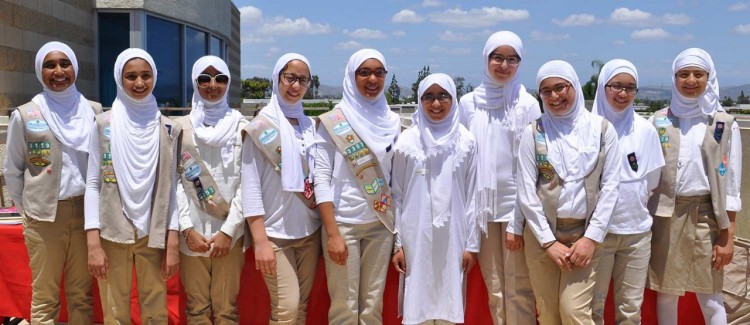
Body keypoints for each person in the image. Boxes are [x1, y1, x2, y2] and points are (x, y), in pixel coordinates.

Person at [3, 41, 102, 324]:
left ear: (75, 67)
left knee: (81, 294)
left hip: (87, 214)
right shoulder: (26, 114)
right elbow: (13, 170)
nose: (58, 71)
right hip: (44, 216)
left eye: (64, 63)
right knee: (45, 296)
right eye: (49, 65)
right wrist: (31, 211)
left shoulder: (93, 111)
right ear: (39, 71)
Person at [516, 60, 620, 323]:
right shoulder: (534, 132)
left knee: (574, 311)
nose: (554, 96)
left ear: (573, 85)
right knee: (549, 313)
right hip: (542, 237)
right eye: (546, 91)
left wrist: (591, 239)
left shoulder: (602, 130)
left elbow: (610, 188)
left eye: (560, 87)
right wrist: (548, 242)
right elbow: (527, 192)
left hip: (583, 236)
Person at [84, 48, 182, 323]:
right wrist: (93, 242)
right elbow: (93, 183)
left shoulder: (167, 128)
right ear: (119, 79)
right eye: (131, 76)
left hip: (153, 233)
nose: (139, 83)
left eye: (145, 75)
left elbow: (172, 188)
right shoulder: (103, 124)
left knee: (156, 310)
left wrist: (172, 240)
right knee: (115, 311)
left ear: (154, 77)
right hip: (112, 232)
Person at [648, 48, 742, 325]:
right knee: (667, 293)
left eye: (698, 74)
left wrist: (728, 237)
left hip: (707, 218)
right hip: (667, 216)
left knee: (710, 295)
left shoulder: (723, 124)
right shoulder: (658, 121)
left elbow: (732, 184)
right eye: (683, 74)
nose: (691, 80)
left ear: (709, 78)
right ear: (674, 78)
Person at [458, 30, 540, 324]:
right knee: (495, 288)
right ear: (486, 59)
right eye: (498, 57)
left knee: (519, 286)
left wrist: (518, 220)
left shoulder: (527, 104)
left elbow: (533, 163)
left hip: (518, 207)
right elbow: (462, 156)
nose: (504, 65)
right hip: (481, 210)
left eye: (512, 59)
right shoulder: (468, 103)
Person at [313, 48, 400, 324]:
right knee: (344, 308)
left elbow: (395, 180)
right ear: (352, 77)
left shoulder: (393, 122)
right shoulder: (333, 121)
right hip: (344, 225)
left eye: (378, 72)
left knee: (373, 307)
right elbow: (321, 179)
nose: (372, 79)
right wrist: (332, 234)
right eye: (364, 72)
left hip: (380, 225)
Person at [391, 73, 479, 325]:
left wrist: (471, 245)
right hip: (414, 234)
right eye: (428, 97)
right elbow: (396, 193)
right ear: (420, 100)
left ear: (454, 99)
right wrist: (397, 244)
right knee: (418, 301)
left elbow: (473, 195)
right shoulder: (407, 141)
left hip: (454, 236)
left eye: (443, 96)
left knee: (450, 302)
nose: (436, 104)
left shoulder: (466, 141)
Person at [242, 53, 321, 324]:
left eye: (302, 80)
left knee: (300, 308)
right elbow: (250, 185)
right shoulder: (260, 128)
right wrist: (260, 240)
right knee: (286, 308)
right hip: (274, 235)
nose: (295, 86)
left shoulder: (310, 126)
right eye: (290, 78)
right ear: (277, 79)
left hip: (309, 231)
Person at [589, 59, 665, 324]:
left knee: (631, 310)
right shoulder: (587, 128)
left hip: (636, 235)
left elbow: (652, 181)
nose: (623, 94)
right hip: (596, 234)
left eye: (630, 88)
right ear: (603, 87)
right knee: (592, 308)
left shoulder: (646, 130)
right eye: (616, 86)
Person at [175, 55, 246, 324]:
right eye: (204, 79)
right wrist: (186, 228)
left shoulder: (242, 127)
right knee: (196, 310)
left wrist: (229, 231)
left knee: (227, 310)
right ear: (195, 83)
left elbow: (248, 186)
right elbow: (175, 184)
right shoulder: (180, 128)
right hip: (192, 234)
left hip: (231, 236)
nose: (212, 85)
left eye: (221, 79)